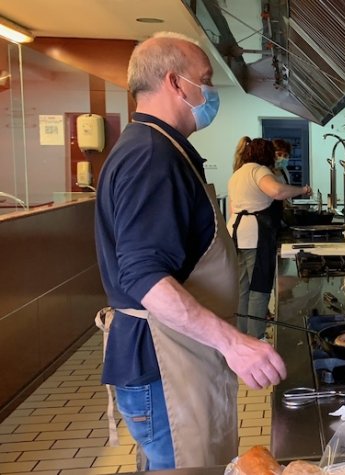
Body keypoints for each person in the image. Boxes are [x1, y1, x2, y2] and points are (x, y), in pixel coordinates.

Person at [94, 32, 287, 471]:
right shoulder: (151, 156)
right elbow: (144, 276)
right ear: (175, 83)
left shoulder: (158, 147)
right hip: (165, 364)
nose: (211, 90)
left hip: (174, 357)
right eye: (206, 78)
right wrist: (234, 343)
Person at [228, 138, 310, 339]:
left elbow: (232, 207)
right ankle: (256, 336)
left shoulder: (238, 173)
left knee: (242, 287)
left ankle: (242, 334)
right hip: (254, 236)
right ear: (266, 155)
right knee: (259, 287)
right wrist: (302, 190)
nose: (277, 158)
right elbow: (277, 191)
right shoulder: (259, 170)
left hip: (236, 234)